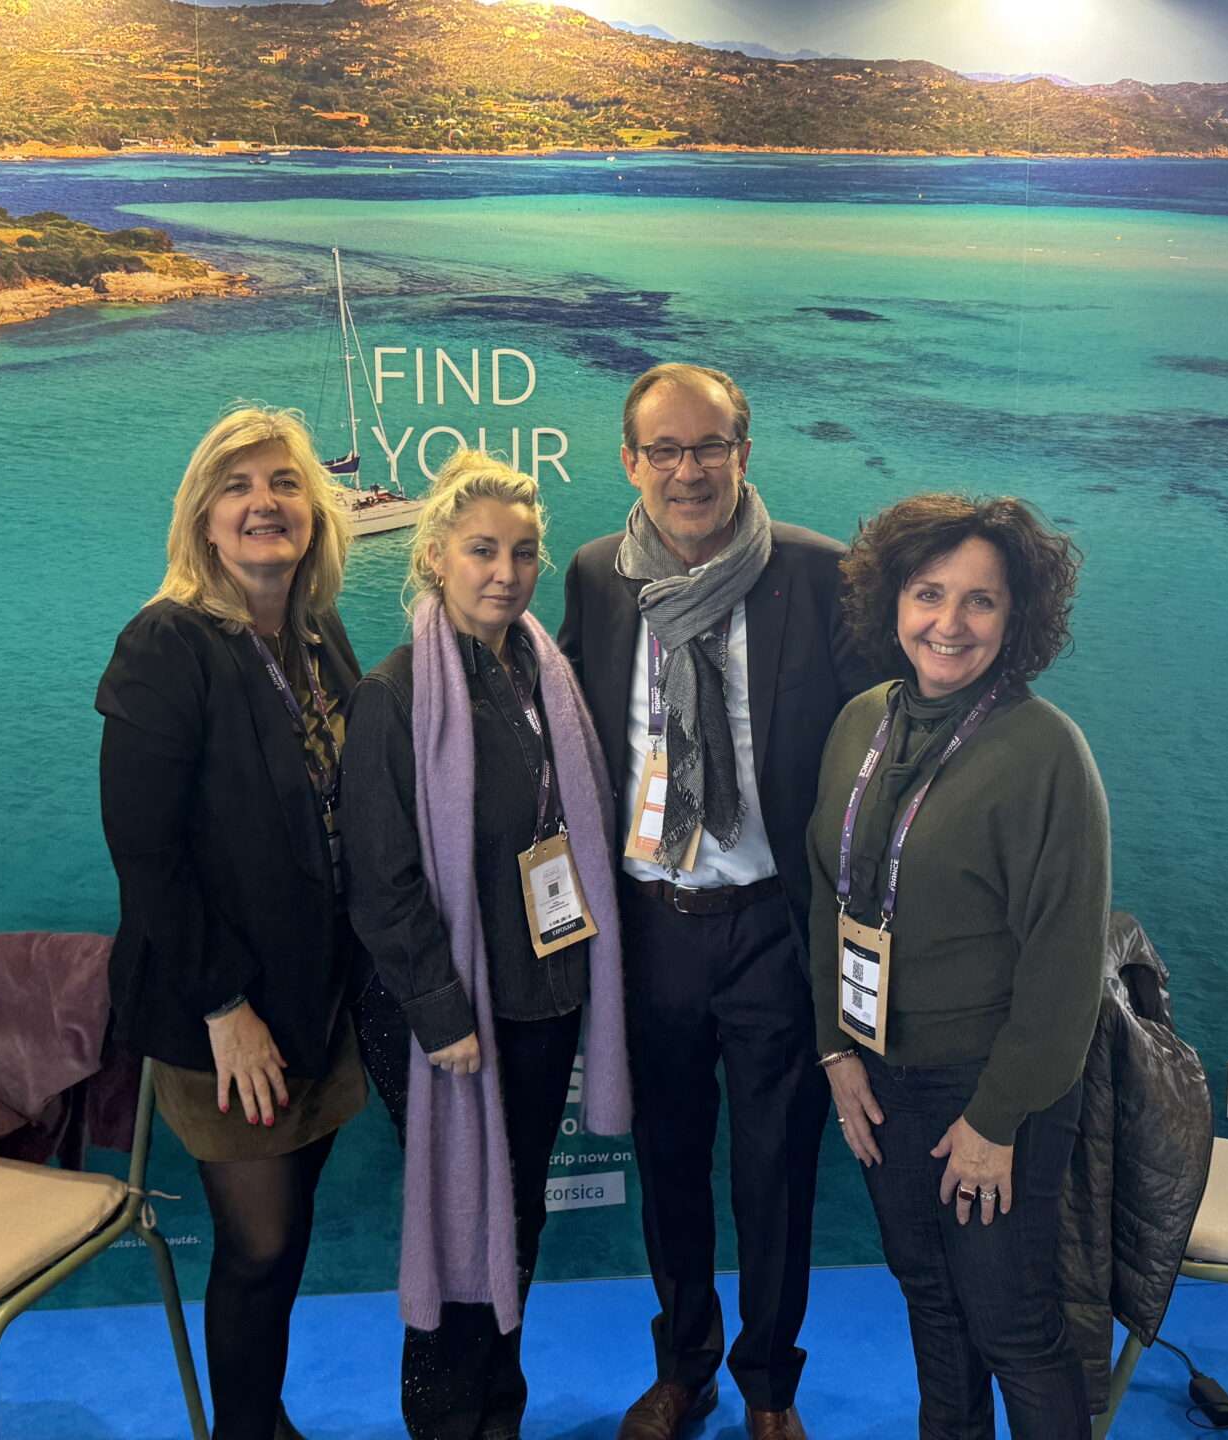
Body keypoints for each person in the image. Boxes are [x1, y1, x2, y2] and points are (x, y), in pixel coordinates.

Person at [558, 363, 874, 1440]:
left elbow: (878, 761)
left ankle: (771, 1387)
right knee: (670, 1161)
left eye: (709, 446)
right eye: (664, 450)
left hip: (772, 930)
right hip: (651, 927)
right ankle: (684, 1365)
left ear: (745, 450)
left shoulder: (824, 575)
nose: (687, 471)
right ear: (630, 461)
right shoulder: (597, 578)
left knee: (778, 1173)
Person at [341, 451, 631, 1440]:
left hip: (544, 995)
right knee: (465, 1222)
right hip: (450, 1013)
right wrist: (440, 1013)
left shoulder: (541, 673)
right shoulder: (395, 697)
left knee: (520, 1218)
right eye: (480, 550)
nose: (505, 571)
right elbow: (380, 883)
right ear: (433, 556)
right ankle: (446, 1419)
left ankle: (498, 1410)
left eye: (523, 551)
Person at [809, 493, 1109, 1440]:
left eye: (980, 601)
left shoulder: (1044, 751)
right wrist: (837, 1051)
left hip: (992, 1089)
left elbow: (1066, 963)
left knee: (1013, 1326)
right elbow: (830, 893)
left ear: (1017, 616)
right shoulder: (860, 722)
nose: (949, 623)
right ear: (893, 601)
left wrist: (996, 1119)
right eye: (929, 593)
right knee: (930, 1306)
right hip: (881, 1077)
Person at [96, 406, 364, 1440]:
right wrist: (224, 1007)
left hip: (320, 1001)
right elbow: (145, 854)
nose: (265, 503)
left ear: (314, 510)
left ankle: (264, 1420)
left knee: (287, 1241)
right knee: (254, 1248)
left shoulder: (315, 632)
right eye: (239, 486)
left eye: (285, 483)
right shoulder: (165, 644)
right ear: (204, 517)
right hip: (226, 1022)